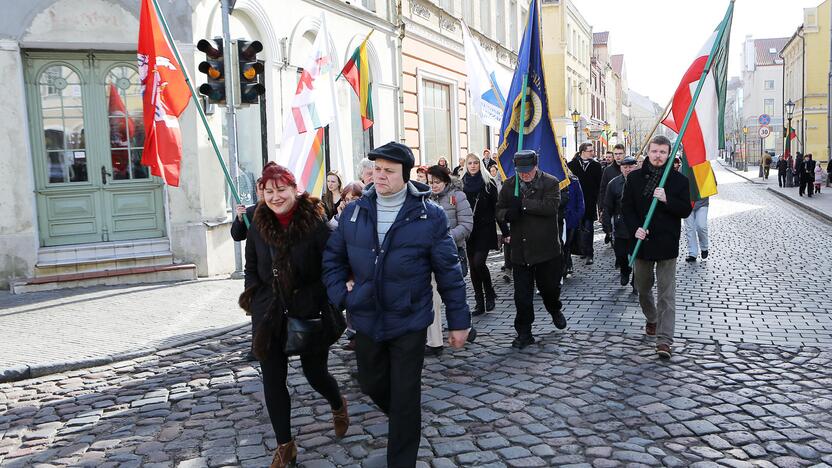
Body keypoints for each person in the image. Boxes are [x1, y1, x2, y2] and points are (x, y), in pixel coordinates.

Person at [322, 142, 470, 467]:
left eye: (389, 171)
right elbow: (332, 259)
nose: (381, 176)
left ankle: (401, 457)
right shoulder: (355, 211)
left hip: (409, 319)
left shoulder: (429, 215)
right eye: (377, 169)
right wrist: (342, 296)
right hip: (366, 317)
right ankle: (407, 419)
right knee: (371, 382)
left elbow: (449, 272)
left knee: (405, 394)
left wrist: (459, 321)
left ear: (405, 174)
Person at [238, 164, 348, 468]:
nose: (275, 197)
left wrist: (315, 297)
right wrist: (256, 300)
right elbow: (251, 267)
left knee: (316, 375)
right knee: (272, 381)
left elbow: (333, 266)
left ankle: (338, 404)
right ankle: (285, 446)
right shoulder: (258, 223)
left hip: (308, 311)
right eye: (269, 191)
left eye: (281, 190)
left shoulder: (315, 222)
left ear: (294, 189)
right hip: (269, 315)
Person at [622, 135, 692, 359]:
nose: (658, 156)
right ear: (648, 153)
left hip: (666, 244)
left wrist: (666, 199)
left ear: (668, 154)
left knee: (666, 295)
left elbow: (685, 210)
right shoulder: (634, 178)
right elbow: (627, 207)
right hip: (642, 243)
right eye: (655, 152)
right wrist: (635, 228)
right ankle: (651, 318)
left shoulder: (679, 181)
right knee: (643, 288)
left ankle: (664, 340)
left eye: (663, 152)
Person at [496, 150, 566, 349]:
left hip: (546, 250)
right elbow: (499, 210)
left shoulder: (550, 182)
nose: (524, 175)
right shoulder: (510, 185)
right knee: (522, 296)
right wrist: (509, 213)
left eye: (528, 170)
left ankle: (554, 309)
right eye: (521, 171)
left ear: (536, 165)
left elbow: (551, 207)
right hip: (520, 250)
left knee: (549, 290)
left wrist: (524, 205)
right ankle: (524, 332)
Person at [425, 165, 474, 356]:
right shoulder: (426, 198)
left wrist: (445, 238)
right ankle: (435, 342)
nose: (433, 186)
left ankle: (465, 326)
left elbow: (466, 225)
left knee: (453, 295)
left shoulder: (458, 197)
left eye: (436, 182)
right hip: (430, 256)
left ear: (445, 181)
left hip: (452, 253)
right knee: (432, 297)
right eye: (430, 183)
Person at [462, 152, 500, 316]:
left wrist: (504, 231)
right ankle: (479, 302)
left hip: (485, 227)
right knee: (472, 267)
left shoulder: (488, 183)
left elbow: (497, 208)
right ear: (466, 165)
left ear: (480, 164)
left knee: (479, 262)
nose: (473, 166)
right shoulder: (461, 183)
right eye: (470, 163)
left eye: (476, 163)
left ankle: (490, 292)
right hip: (468, 229)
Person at [602, 156, 638, 287]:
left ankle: (636, 279)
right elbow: (607, 206)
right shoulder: (614, 184)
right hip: (620, 224)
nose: (627, 169)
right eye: (625, 167)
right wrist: (607, 227)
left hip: (638, 226)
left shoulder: (643, 182)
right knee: (621, 254)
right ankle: (625, 270)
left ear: (636, 166)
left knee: (638, 255)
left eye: (630, 167)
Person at [567, 143, 603, 265]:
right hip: (575, 203)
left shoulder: (596, 166)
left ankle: (589, 253)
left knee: (589, 228)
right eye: (590, 151)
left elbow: (600, 185)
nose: (593, 153)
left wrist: (598, 201)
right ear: (582, 151)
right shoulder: (572, 165)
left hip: (590, 202)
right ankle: (579, 250)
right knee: (575, 229)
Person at [599, 144, 626, 246]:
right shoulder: (608, 170)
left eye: (620, 154)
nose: (618, 156)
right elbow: (602, 189)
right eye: (616, 154)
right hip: (613, 208)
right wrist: (602, 208)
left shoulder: (631, 167)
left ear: (624, 153)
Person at [562, 172, 585, 278]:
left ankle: (566, 265)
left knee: (568, 243)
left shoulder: (574, 181)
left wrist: (577, 215)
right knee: (560, 243)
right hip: (558, 218)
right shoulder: (553, 182)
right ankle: (563, 265)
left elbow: (580, 200)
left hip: (571, 218)